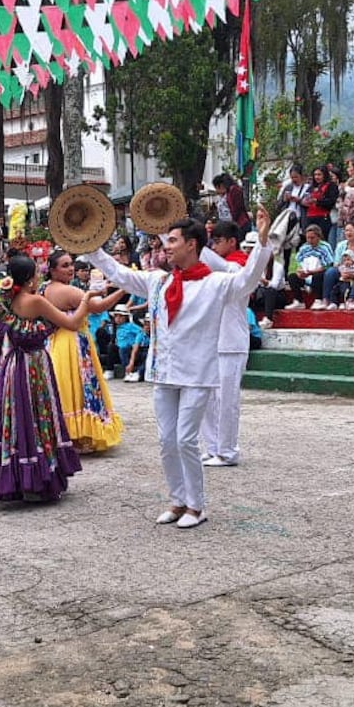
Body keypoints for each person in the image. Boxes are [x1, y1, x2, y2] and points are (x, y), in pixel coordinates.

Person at [90, 209, 275, 529]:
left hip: (197, 373)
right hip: (164, 371)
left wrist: (262, 242)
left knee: (186, 439)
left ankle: (196, 506)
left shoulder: (216, 283)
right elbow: (120, 275)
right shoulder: (160, 281)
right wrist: (93, 249)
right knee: (167, 441)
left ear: (192, 244)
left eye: (173, 240)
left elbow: (247, 280)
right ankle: (177, 500)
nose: (167, 246)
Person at [0, 254, 96, 502]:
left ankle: (17, 477)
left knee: (16, 417)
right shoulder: (36, 301)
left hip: (13, 365)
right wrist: (86, 299)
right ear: (31, 278)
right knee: (38, 416)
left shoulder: (6, 299)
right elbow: (72, 323)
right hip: (34, 366)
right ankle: (38, 479)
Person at [40, 250, 127, 454]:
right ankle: (77, 436)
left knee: (65, 387)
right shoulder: (68, 291)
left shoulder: (45, 288)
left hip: (54, 342)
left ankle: (65, 434)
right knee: (78, 386)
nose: (70, 269)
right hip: (72, 342)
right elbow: (98, 307)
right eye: (64, 265)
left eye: (71, 264)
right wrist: (123, 289)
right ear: (52, 270)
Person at [201, 220, 257, 468]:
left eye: (217, 241)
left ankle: (228, 451)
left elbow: (217, 264)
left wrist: (196, 242)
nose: (213, 246)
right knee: (207, 398)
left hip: (233, 342)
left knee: (227, 401)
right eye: (211, 242)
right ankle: (213, 447)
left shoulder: (240, 265)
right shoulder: (214, 266)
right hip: (212, 340)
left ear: (232, 242)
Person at [285, 225, 335, 310]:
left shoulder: (325, 247)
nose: (310, 240)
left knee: (318, 276)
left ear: (318, 237)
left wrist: (311, 272)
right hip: (306, 275)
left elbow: (328, 265)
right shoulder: (304, 247)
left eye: (312, 238)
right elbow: (298, 263)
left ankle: (318, 300)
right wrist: (299, 271)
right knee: (292, 277)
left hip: (318, 274)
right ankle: (299, 301)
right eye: (308, 238)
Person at [323, 221, 354, 308]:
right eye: (346, 230)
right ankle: (326, 299)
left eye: (351, 230)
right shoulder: (340, 245)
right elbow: (336, 263)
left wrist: (353, 273)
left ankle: (351, 299)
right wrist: (342, 272)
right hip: (343, 271)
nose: (348, 233)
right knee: (330, 271)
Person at [301, 165, 338, 239]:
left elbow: (331, 201)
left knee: (321, 239)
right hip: (310, 217)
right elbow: (304, 198)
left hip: (322, 217)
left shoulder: (331, 186)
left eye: (319, 175)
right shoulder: (311, 187)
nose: (317, 177)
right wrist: (303, 202)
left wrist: (317, 201)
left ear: (324, 175)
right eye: (315, 175)